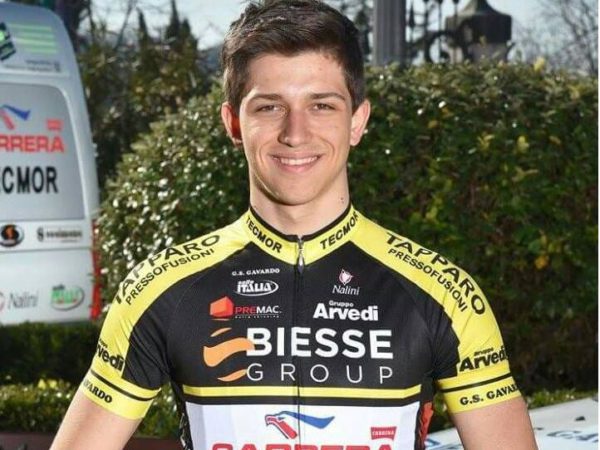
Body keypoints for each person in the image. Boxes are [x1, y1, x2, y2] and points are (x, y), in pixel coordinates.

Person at [51, 1, 538, 449]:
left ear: (357, 121)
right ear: (233, 124)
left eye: (322, 105)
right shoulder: (162, 290)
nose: (295, 133)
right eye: (269, 106)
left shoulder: (444, 294)